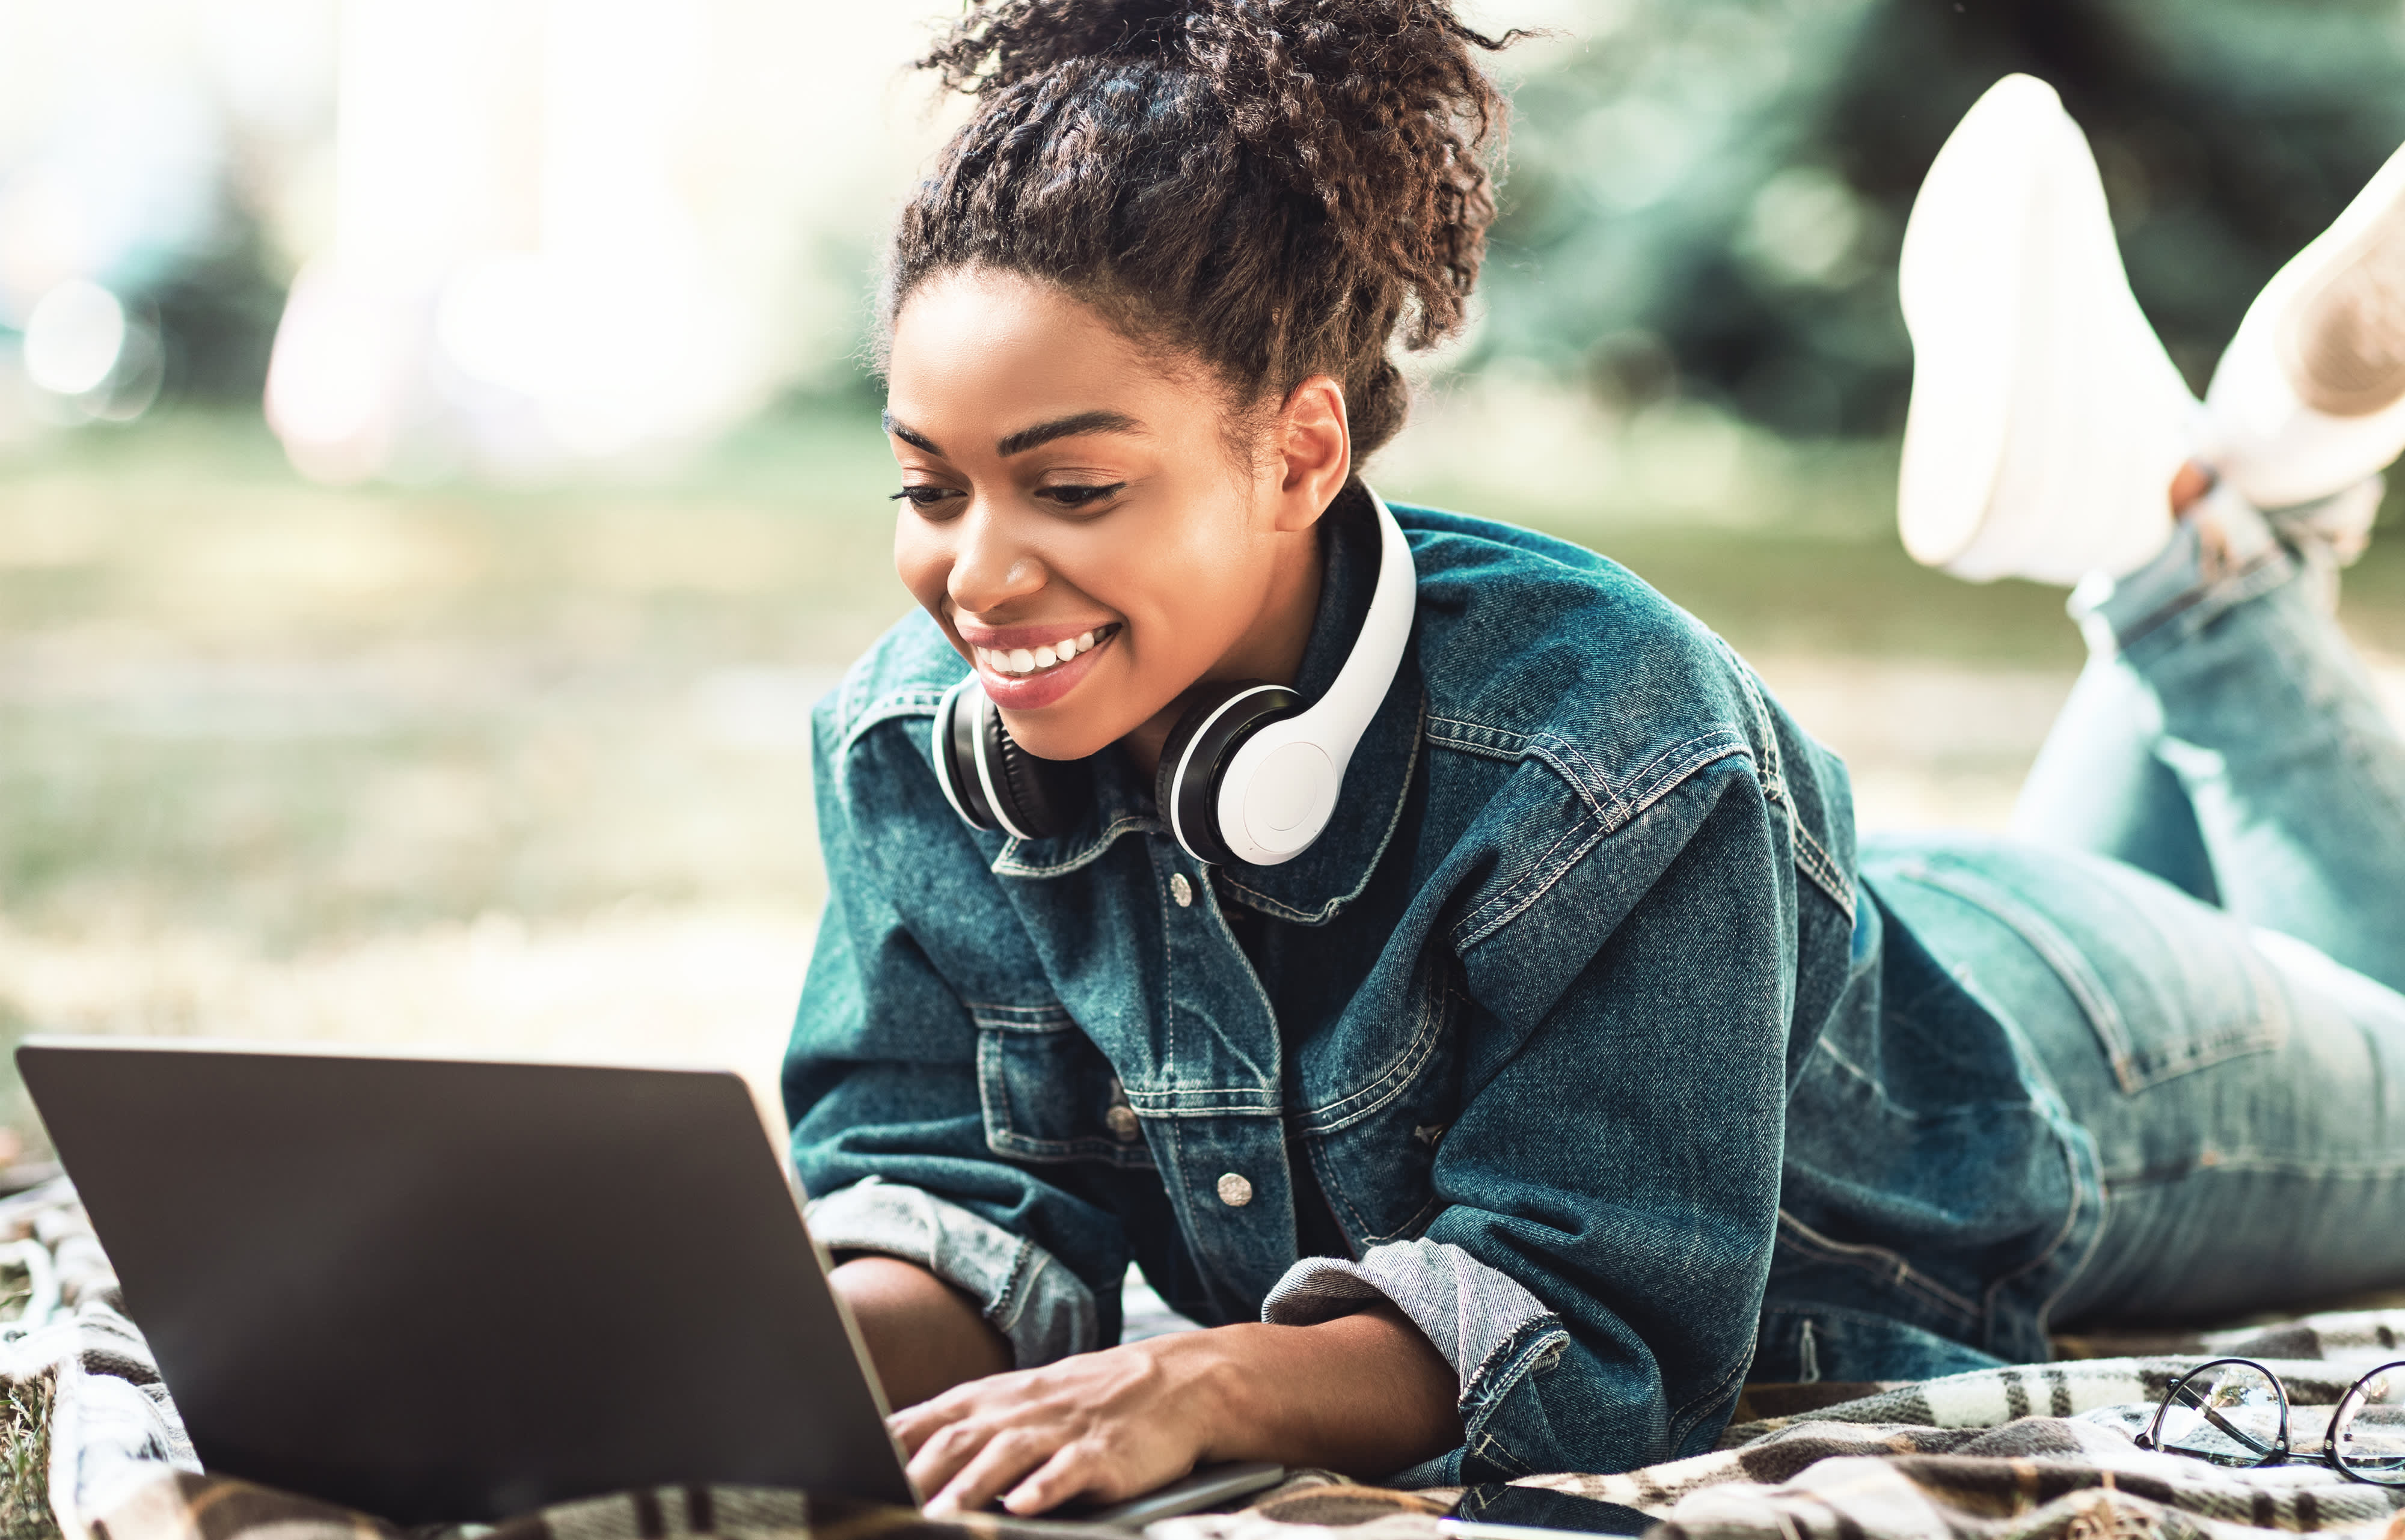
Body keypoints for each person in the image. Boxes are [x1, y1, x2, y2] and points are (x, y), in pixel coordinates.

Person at [780, 0, 2405, 1514]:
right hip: (1796, 937)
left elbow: (1595, 1322)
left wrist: (1210, 1374)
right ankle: (2196, 509)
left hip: (2057, 1059)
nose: (976, 577)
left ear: (1299, 449)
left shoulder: (1606, 727)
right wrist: (789, 1356)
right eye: (932, 489)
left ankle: (2198, 543)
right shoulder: (910, 744)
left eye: (1071, 492)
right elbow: (943, 1207)